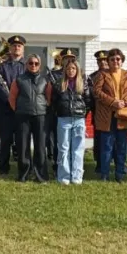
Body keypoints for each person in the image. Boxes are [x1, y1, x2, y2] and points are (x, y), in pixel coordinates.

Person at [93, 48, 127, 182]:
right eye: (112, 59)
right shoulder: (102, 75)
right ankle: (105, 174)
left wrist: (125, 102)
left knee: (121, 145)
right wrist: (112, 102)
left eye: (118, 59)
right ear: (108, 61)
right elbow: (96, 91)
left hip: (123, 115)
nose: (115, 62)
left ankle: (119, 174)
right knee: (106, 145)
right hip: (106, 115)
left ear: (122, 60)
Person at [9, 53, 52, 183]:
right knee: (23, 146)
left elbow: (48, 98)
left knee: (40, 147)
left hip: (40, 116)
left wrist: (43, 108)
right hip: (23, 116)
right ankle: (24, 174)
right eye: (31, 63)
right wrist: (18, 110)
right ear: (26, 64)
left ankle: (40, 175)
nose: (33, 65)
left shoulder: (46, 80)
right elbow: (12, 98)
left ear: (40, 65)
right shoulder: (19, 80)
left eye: (36, 63)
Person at [53, 57, 92, 185]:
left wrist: (82, 114)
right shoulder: (59, 83)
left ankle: (77, 176)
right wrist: (60, 111)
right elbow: (54, 101)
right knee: (63, 148)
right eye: (68, 68)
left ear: (77, 70)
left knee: (78, 148)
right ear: (65, 70)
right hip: (63, 119)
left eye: (73, 68)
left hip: (79, 119)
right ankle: (63, 176)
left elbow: (88, 101)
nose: (71, 71)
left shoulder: (83, 83)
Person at [0, 35, 26, 175]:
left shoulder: (29, 66)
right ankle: (3, 168)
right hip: (6, 109)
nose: (16, 48)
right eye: (14, 46)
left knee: (22, 140)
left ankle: (23, 167)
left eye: (19, 46)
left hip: (22, 109)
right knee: (5, 140)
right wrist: (9, 98)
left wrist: (19, 100)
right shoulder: (2, 66)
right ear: (10, 48)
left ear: (23, 49)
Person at [88, 49, 109, 174]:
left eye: (105, 60)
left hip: (112, 111)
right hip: (98, 112)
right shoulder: (92, 77)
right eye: (99, 61)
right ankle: (99, 163)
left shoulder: (114, 74)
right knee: (99, 139)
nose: (102, 63)